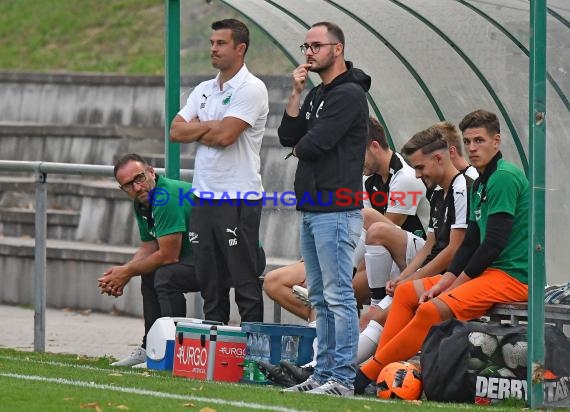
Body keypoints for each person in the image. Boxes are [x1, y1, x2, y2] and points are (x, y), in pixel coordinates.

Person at [354, 109, 529, 394]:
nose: (472, 148)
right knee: (407, 293)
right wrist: (447, 280)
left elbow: (492, 244)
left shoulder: (503, 178)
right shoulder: (481, 180)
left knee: (429, 310)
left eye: (479, 141)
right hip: (485, 273)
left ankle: (364, 376)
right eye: (468, 141)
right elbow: (471, 241)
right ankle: (382, 373)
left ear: (496, 141)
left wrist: (451, 286)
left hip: (510, 277)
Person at [278, 21, 370, 396]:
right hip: (313, 207)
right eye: (306, 46)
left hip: (336, 208)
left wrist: (300, 146)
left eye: (316, 45)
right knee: (318, 295)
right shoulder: (316, 93)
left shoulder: (349, 95)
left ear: (338, 49)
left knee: (337, 295)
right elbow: (289, 136)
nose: (309, 52)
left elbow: (314, 144)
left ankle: (342, 378)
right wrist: (296, 93)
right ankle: (323, 373)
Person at [170, 19, 268, 324]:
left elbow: (226, 137)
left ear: (240, 49)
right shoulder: (203, 89)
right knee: (209, 282)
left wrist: (199, 128)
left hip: (239, 196)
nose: (213, 48)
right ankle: (214, 355)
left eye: (221, 43)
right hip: (203, 196)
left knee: (244, 281)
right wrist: (214, 125)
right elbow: (175, 130)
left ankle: (254, 354)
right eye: (212, 42)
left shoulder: (252, 88)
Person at [356, 124, 475, 364]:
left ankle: (358, 372)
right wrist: (405, 277)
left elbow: (454, 250)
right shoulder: (436, 191)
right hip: (427, 273)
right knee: (373, 316)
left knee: (379, 315)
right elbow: (430, 246)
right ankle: (330, 369)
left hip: (446, 278)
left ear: (441, 157)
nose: (418, 175)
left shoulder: (463, 186)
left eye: (420, 167)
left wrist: (411, 280)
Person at [98, 154, 200, 367]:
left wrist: (125, 272)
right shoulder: (143, 200)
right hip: (196, 257)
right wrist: (124, 273)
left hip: (226, 259)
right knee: (150, 272)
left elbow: (168, 255)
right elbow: (149, 246)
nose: (136, 188)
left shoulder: (165, 196)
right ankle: (150, 347)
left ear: (152, 172)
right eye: (127, 185)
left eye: (139, 178)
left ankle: (172, 352)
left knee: (165, 274)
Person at [352, 117, 429, 306]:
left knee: (370, 222)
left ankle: (341, 287)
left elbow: (378, 232)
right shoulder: (368, 179)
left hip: (420, 255)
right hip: (386, 252)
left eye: (357, 154)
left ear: (375, 147)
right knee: (275, 282)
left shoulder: (406, 177)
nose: (355, 162)